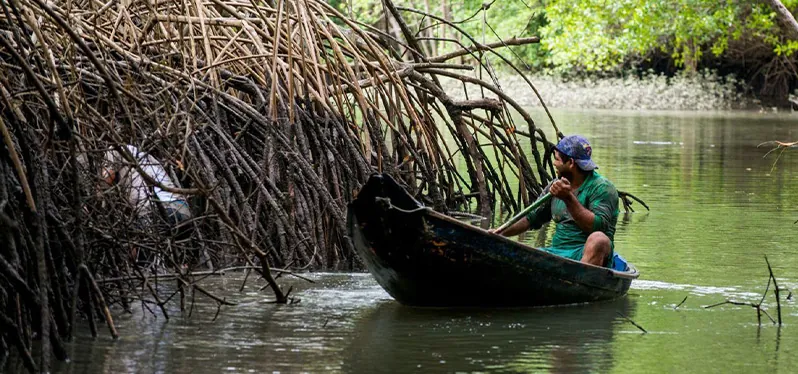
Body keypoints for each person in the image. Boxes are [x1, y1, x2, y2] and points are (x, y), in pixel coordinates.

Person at [491, 135, 619, 267]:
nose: (554, 163)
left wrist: (568, 198)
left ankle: (578, 282)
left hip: (584, 254)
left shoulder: (602, 188)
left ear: (571, 163)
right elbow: (530, 218)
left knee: (599, 239)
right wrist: (498, 233)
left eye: (557, 159)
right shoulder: (555, 186)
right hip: (556, 253)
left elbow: (597, 227)